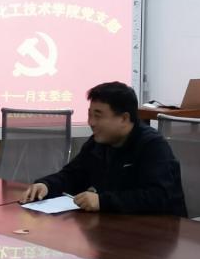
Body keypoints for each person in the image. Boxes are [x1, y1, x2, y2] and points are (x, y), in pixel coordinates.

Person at [22, 81, 188, 216]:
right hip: (116, 227)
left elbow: (159, 196)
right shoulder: (98, 143)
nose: (91, 122)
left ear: (124, 118)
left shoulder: (152, 145)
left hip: (158, 233)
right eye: (89, 115)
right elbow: (72, 175)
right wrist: (47, 185)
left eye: (98, 116)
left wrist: (102, 201)